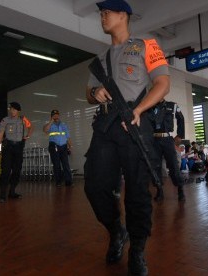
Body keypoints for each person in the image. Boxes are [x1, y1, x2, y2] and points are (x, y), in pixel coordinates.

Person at [83, 0, 170, 275]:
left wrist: (140, 110)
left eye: (107, 12)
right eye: (101, 13)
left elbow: (163, 83)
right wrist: (94, 94)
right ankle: (117, 231)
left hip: (135, 123)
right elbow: (88, 94)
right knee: (94, 185)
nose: (102, 17)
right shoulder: (100, 59)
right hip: (106, 127)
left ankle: (139, 250)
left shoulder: (148, 46)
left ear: (124, 15)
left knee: (137, 191)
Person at [0, 102, 33, 203]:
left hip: (19, 148)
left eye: (14, 109)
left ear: (18, 111)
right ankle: (2, 195)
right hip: (8, 148)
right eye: (11, 109)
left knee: (17, 171)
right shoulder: (5, 120)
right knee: (5, 171)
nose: (12, 111)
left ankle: (12, 192)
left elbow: (31, 127)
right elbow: (0, 136)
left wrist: (27, 136)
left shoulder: (24, 119)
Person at [151, 99, 185, 201]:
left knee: (173, 164)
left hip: (167, 139)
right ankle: (159, 190)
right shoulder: (150, 105)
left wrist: (180, 135)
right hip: (153, 139)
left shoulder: (172, 105)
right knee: (155, 166)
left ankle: (180, 189)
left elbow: (181, 119)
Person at [43, 109, 73, 187]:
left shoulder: (63, 125)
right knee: (56, 165)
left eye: (57, 114)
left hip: (63, 146)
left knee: (66, 165)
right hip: (54, 146)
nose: (55, 116)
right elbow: (45, 130)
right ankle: (58, 182)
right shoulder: (49, 125)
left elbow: (68, 136)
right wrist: (50, 121)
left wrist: (70, 146)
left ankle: (68, 181)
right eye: (54, 115)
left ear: (59, 115)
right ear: (51, 116)